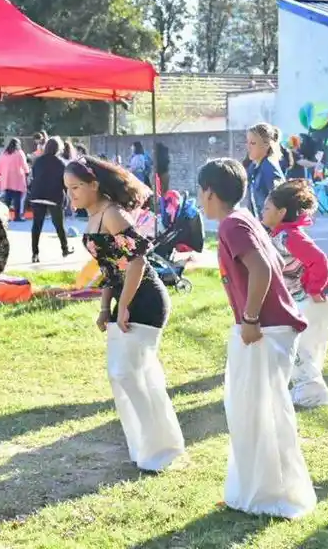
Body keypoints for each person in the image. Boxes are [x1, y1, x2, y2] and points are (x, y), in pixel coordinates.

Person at [197, 157, 316, 519]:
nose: (199, 199)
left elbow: (263, 268)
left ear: (210, 192)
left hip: (264, 328)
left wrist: (250, 318)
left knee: (258, 411)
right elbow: (273, 265)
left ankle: (269, 495)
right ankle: (254, 490)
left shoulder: (232, 225)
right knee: (253, 408)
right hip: (270, 326)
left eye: (200, 192)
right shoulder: (244, 218)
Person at [65, 154, 184, 472]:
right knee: (127, 375)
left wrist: (125, 306)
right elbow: (110, 268)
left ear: (94, 185)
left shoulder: (113, 215)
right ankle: (148, 448)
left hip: (145, 298)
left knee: (129, 373)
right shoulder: (94, 217)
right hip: (126, 298)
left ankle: (160, 449)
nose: (71, 194)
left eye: (76, 187)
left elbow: (138, 261)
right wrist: (106, 307)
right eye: (68, 189)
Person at [262, 179, 328, 407]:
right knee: (303, 346)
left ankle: (313, 394)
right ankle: (307, 390)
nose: (263, 211)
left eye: (267, 208)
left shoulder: (290, 236)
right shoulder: (277, 234)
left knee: (305, 346)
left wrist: (315, 289)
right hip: (303, 298)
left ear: (281, 212)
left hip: (316, 298)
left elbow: (319, 261)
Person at [29, 136, 74, 263]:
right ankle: (65, 248)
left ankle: (35, 253)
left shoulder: (37, 161)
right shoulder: (61, 163)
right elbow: (65, 183)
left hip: (37, 195)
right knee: (59, 224)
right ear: (58, 149)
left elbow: (35, 176)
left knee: (36, 225)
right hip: (53, 197)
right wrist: (69, 199)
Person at [246, 123, 286, 219]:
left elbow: (281, 203)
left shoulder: (269, 168)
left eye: (253, 143)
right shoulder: (254, 167)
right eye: (247, 142)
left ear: (267, 144)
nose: (248, 147)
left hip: (272, 229)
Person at [0, 138, 29, 222]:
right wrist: (27, 172)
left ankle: (6, 217)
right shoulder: (19, 153)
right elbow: (24, 165)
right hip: (17, 178)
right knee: (17, 199)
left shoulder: (3, 154)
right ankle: (17, 216)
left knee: (7, 198)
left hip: (6, 179)